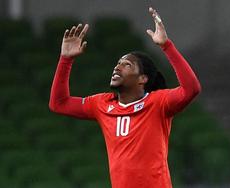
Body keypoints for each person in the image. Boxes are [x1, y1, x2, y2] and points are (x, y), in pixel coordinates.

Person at [49, 7, 201, 188]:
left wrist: (166, 46)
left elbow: (191, 89)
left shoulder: (158, 103)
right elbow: (58, 104)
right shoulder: (101, 104)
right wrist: (65, 59)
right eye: (118, 63)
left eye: (126, 65)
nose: (117, 67)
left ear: (142, 79)